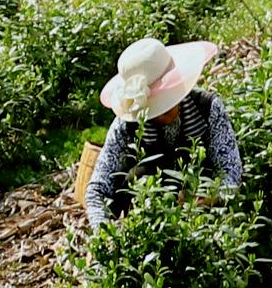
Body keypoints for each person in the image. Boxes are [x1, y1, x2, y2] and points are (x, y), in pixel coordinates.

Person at [87, 34, 242, 227]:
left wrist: (212, 196)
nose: (163, 112)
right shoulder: (125, 126)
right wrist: (104, 231)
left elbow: (231, 170)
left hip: (202, 221)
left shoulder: (207, 108)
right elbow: (97, 189)